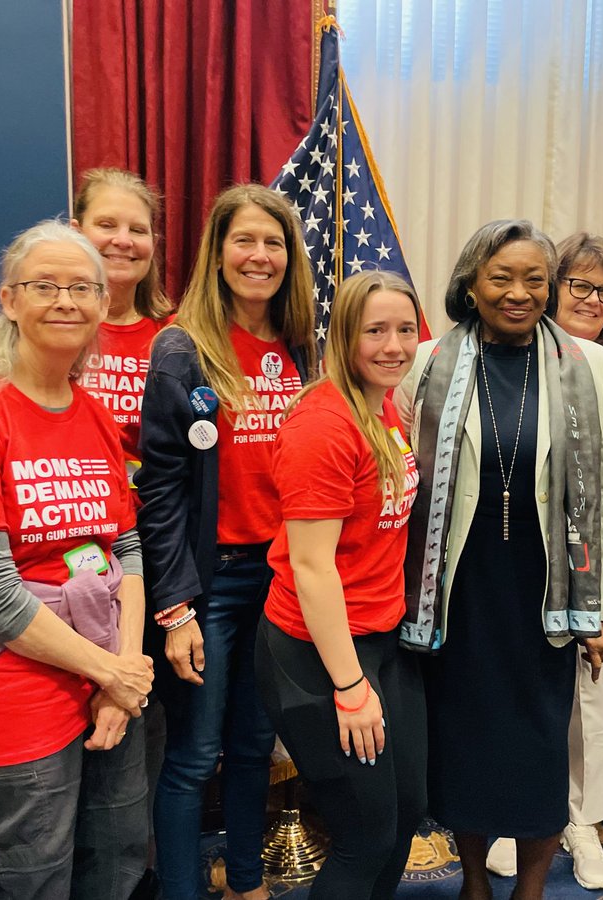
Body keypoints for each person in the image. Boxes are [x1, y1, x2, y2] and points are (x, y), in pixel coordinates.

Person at [0, 220, 155, 896]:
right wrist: (113, 672)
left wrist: (121, 676)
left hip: (108, 680)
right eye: (45, 286)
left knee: (116, 865)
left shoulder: (96, 413)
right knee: (32, 877)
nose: (66, 301)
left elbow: (125, 547)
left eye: (83, 288)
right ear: (10, 300)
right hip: (15, 686)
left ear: (105, 304)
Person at [395, 219, 603, 900]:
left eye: (535, 278)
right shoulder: (427, 363)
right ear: (471, 282)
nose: (520, 292)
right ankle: (472, 881)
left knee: (539, 749)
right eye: (502, 277)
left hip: (548, 590)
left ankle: (529, 890)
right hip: (459, 593)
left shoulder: (592, 367)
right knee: (463, 743)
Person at [137, 183, 317, 900]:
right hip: (211, 585)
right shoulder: (182, 349)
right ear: (218, 253)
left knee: (251, 749)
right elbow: (160, 492)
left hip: (280, 581)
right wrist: (176, 608)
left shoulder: (304, 345)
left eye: (273, 242)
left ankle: (246, 884)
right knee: (194, 755)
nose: (259, 255)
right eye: (244, 240)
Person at [486, 231, 603, 890]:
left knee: (590, 698)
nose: (590, 298)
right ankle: (514, 809)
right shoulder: (505, 356)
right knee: (516, 694)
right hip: (516, 563)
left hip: (592, 567)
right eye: (577, 284)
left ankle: (580, 821)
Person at [255, 270, 425, 899]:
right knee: (366, 836)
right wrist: (350, 686)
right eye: (375, 331)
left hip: (381, 641)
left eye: (405, 329)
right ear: (343, 338)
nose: (394, 346)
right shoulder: (323, 425)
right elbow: (311, 567)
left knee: (407, 813)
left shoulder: (382, 411)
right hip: (317, 655)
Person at [72, 167, 176, 484]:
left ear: (153, 243)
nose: (122, 240)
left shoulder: (176, 336)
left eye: (138, 230)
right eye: (106, 225)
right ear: (76, 232)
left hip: (155, 521)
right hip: (73, 519)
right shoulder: (47, 328)